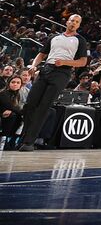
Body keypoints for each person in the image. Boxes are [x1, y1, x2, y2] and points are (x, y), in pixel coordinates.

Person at [17, 13, 89, 151]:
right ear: (67, 22)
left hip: (62, 72)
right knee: (30, 104)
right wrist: (33, 65)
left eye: (77, 22)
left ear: (79, 25)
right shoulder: (54, 37)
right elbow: (42, 54)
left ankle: (29, 142)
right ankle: (25, 135)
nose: (73, 23)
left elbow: (83, 62)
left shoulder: (80, 40)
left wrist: (65, 62)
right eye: (72, 20)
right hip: (46, 69)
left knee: (44, 106)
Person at [1, 75, 23, 148]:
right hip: (2, 114)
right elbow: (10, 106)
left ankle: (13, 140)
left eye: (18, 83)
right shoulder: (3, 93)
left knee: (18, 116)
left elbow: (14, 108)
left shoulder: (17, 94)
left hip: (9, 114)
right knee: (12, 114)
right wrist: (24, 112)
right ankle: (4, 140)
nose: (15, 84)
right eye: (13, 82)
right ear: (8, 83)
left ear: (20, 85)